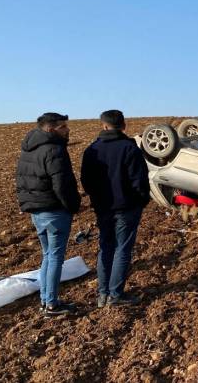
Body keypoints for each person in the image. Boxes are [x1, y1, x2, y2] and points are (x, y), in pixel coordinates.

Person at [81, 110, 150, 307]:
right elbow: (140, 180)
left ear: (103, 126)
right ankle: (116, 294)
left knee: (106, 247)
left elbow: (86, 181)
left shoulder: (92, 150)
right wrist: (141, 201)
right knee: (122, 249)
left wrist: (97, 199)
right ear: (124, 125)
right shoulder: (130, 148)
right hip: (127, 208)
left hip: (103, 208)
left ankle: (102, 294)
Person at [16, 113, 81, 316]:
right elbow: (61, 184)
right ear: (51, 129)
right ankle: (52, 304)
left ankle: (46, 300)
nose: (67, 130)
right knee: (55, 258)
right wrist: (73, 205)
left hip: (37, 211)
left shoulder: (29, 149)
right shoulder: (55, 149)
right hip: (54, 211)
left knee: (48, 255)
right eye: (64, 127)